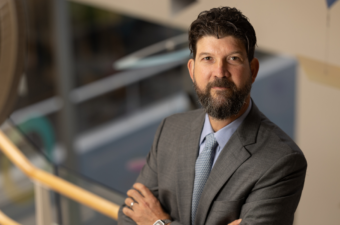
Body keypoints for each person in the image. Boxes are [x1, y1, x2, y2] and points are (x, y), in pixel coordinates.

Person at [118, 6, 307, 225]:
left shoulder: (281, 160)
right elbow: (128, 216)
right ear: (192, 70)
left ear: (253, 70)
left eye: (233, 58)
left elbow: (145, 219)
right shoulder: (170, 130)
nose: (219, 72)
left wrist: (158, 222)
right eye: (207, 58)